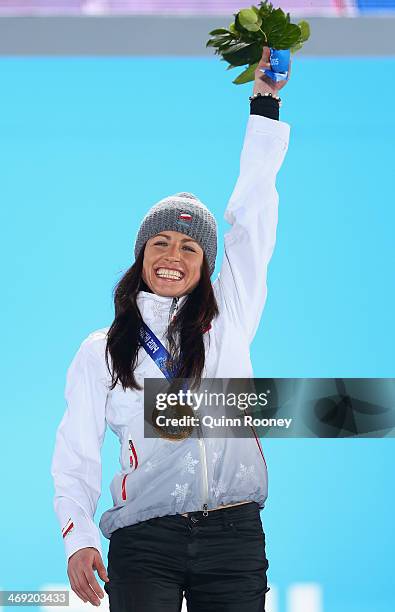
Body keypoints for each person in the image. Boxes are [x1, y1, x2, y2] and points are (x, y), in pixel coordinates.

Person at [50, 47, 292, 612]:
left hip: (234, 537)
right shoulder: (102, 350)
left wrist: (266, 104)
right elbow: (75, 453)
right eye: (159, 243)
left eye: (189, 248)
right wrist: (78, 534)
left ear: (206, 265)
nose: (172, 256)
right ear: (140, 257)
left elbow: (254, 213)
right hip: (144, 537)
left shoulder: (229, 317)